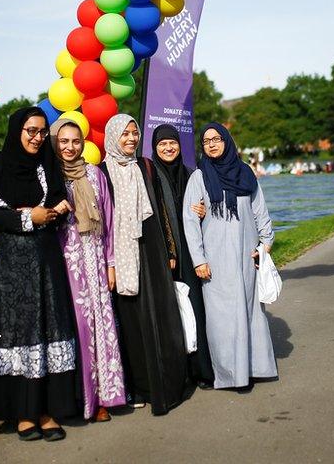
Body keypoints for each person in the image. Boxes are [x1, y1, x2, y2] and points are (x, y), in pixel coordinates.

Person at [0, 107, 77, 442]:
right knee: (18, 330)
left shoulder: (47, 165)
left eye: (42, 131)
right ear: (17, 130)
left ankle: (46, 411)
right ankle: (22, 414)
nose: (36, 137)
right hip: (10, 261)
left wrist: (56, 212)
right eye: (31, 131)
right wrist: (28, 218)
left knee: (47, 327)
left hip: (45, 258)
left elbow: (58, 202)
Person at [99, 114, 188, 415]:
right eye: (124, 134)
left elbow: (162, 211)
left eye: (135, 133)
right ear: (112, 136)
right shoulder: (102, 172)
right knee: (131, 322)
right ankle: (138, 386)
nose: (131, 139)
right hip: (121, 256)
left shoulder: (145, 166)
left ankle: (167, 385)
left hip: (152, 251)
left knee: (161, 317)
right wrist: (107, 263)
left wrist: (171, 250)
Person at [182, 123, 277, 391]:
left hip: (246, 258)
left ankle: (255, 368)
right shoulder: (199, 178)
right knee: (221, 318)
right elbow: (190, 221)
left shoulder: (245, 174)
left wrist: (265, 245)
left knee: (250, 312)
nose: (211, 144)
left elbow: (260, 212)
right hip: (216, 260)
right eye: (206, 141)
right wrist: (199, 260)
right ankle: (231, 374)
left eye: (217, 139)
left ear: (227, 141)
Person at [50, 118, 126, 423]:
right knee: (76, 330)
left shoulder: (95, 176)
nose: (70, 147)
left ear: (83, 144)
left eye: (76, 142)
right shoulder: (51, 177)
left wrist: (110, 264)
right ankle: (78, 398)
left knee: (101, 329)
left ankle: (104, 398)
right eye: (64, 142)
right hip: (65, 264)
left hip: (95, 261)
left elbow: (108, 221)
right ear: (55, 143)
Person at [150, 124, 215, 389]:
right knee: (171, 312)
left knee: (196, 309)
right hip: (165, 253)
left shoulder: (191, 175)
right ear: (155, 148)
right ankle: (179, 373)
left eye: (172, 143)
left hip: (190, 252)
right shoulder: (151, 176)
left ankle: (201, 369)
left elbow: (211, 208)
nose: (168, 148)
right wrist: (167, 249)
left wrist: (203, 209)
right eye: (162, 144)